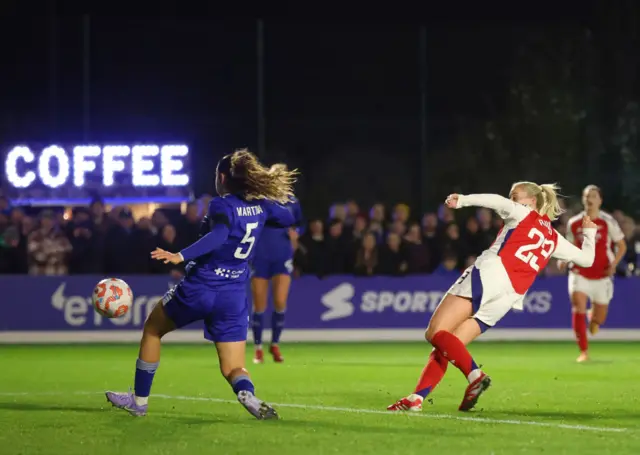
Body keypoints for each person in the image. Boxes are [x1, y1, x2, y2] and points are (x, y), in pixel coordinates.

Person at [105, 149, 299, 420]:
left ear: (222, 177)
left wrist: (180, 255)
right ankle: (247, 393)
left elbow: (219, 235)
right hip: (233, 295)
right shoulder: (262, 206)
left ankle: (139, 401)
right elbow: (289, 218)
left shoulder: (221, 205)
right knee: (233, 367)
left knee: (152, 330)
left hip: (201, 286)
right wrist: (263, 198)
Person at [387, 182, 597, 413]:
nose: (511, 200)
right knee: (448, 346)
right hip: (509, 296)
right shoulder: (553, 237)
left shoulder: (523, 213)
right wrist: (588, 233)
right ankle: (416, 398)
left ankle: (475, 375)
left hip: (491, 273)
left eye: (515, 196)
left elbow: (496, 201)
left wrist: (463, 200)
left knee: (435, 332)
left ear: (531, 202)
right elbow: (587, 259)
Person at [559, 185, 626, 362]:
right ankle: (584, 352)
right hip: (579, 273)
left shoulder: (607, 221)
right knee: (577, 307)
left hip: (602, 275)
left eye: (594, 196)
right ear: (583, 199)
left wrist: (614, 264)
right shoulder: (574, 223)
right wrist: (563, 259)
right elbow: (569, 245)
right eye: (587, 196)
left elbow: (622, 245)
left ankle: (593, 317)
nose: (590, 199)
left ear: (600, 200)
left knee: (599, 320)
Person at [250, 164, 304, 364]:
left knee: (280, 302)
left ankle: (275, 344)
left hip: (282, 254)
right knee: (260, 304)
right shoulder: (260, 200)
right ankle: (257, 348)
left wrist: (296, 234)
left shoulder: (292, 201)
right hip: (261, 254)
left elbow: (300, 224)